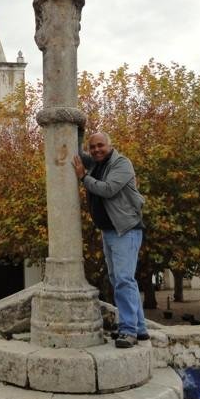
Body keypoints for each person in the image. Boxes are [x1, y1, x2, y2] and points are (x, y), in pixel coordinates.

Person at [72, 132, 148, 348]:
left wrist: (83, 177)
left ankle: (128, 331)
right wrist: (78, 129)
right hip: (109, 231)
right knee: (119, 280)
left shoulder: (122, 164)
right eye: (92, 147)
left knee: (124, 279)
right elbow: (76, 151)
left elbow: (108, 189)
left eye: (100, 146)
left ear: (109, 145)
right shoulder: (97, 163)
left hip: (126, 230)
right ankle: (140, 328)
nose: (96, 150)